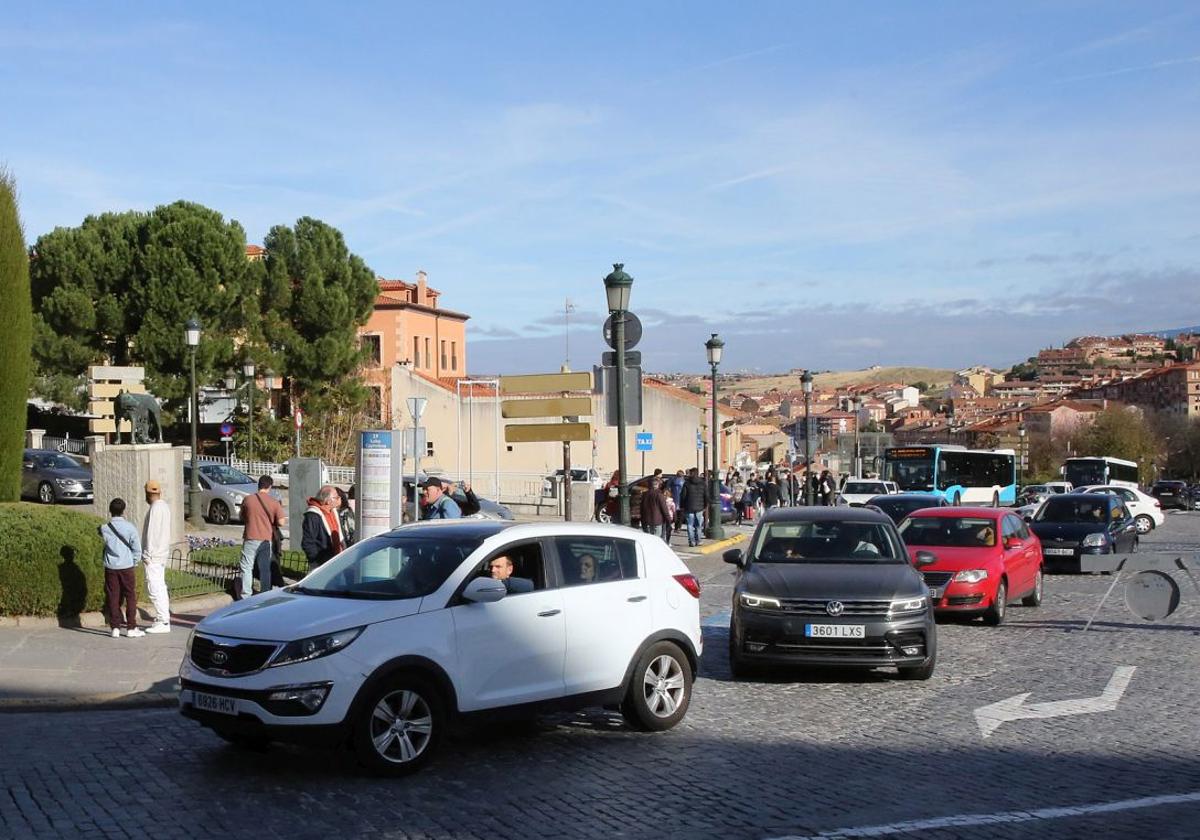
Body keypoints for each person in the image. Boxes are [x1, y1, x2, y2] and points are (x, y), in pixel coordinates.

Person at [99, 497, 143, 638]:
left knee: (113, 596)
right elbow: (137, 549)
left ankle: (115, 627)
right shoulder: (130, 528)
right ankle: (131, 627)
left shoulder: (104, 528)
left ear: (110, 511)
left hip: (111, 566)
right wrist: (134, 561)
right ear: (124, 510)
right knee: (130, 595)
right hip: (127, 566)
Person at [240, 475, 286, 599]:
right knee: (265, 568)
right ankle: (265, 593)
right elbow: (281, 522)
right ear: (270, 487)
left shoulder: (248, 500)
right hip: (266, 539)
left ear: (258, 485)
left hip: (250, 537)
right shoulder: (274, 503)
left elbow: (242, 517)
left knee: (246, 566)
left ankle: (246, 594)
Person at [141, 480, 172, 633]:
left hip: (154, 555)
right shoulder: (164, 507)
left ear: (147, 493)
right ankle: (163, 618)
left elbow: (151, 534)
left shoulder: (155, 509)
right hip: (161, 553)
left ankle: (163, 620)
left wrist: (147, 554)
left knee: (154, 588)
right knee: (160, 586)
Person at [301, 485, 344, 570]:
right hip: (322, 562)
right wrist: (316, 563)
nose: (339, 499)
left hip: (336, 559)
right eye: (336, 497)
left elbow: (340, 535)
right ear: (328, 501)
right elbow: (308, 542)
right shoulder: (313, 515)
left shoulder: (333, 512)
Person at [679, 467, 708, 547]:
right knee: (698, 525)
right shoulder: (702, 483)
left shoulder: (687, 483)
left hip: (689, 507)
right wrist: (705, 505)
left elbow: (683, 496)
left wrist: (682, 506)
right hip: (700, 507)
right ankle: (698, 540)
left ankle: (691, 541)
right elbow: (706, 495)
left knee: (690, 525)